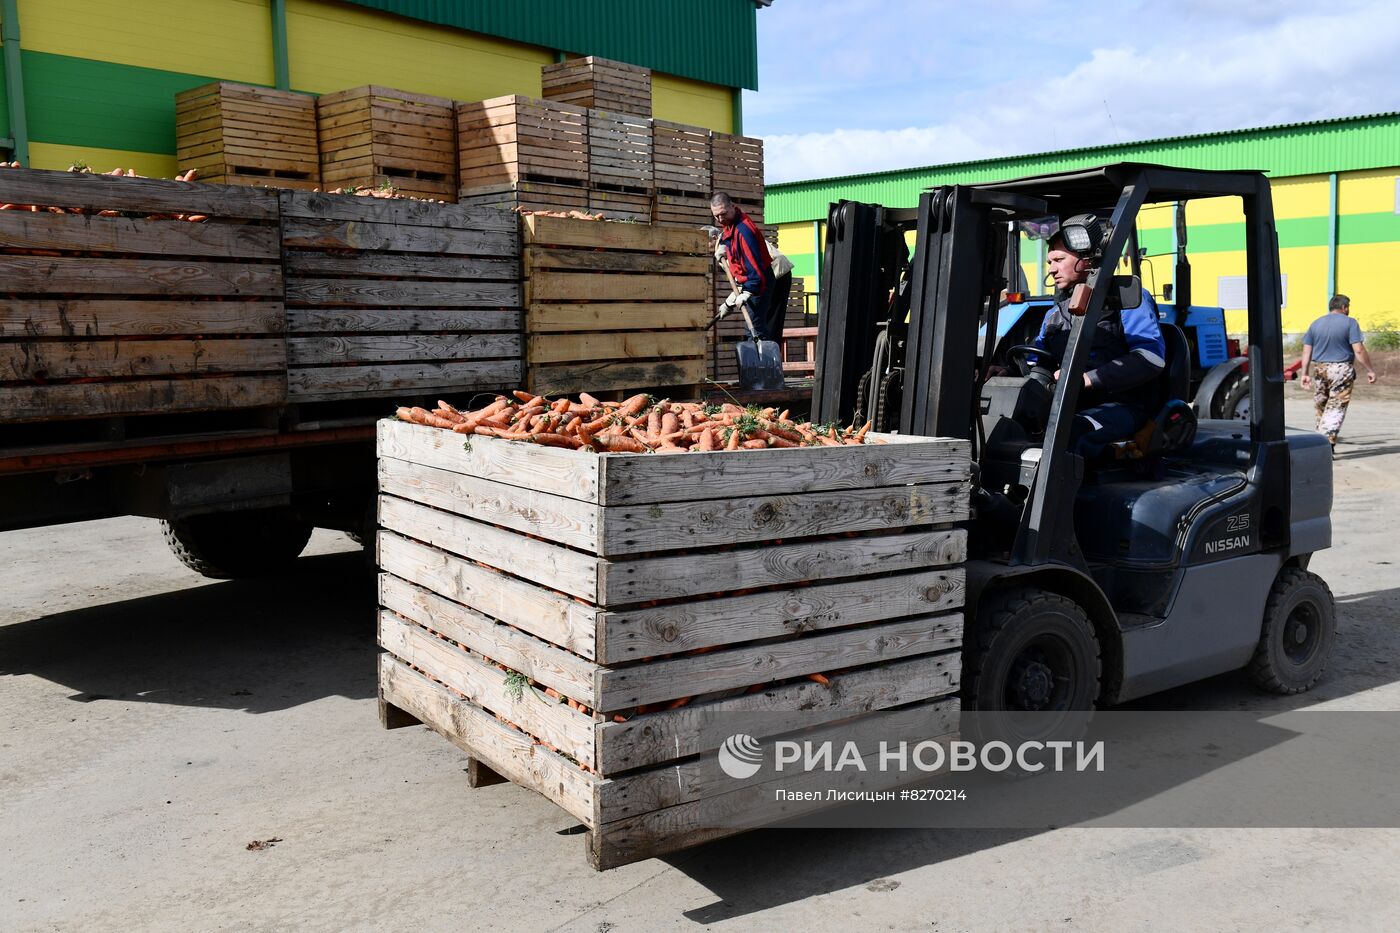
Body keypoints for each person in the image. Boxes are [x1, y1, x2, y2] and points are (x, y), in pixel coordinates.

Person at [1030, 233, 1167, 457]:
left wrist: (1086, 378)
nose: (1052, 269)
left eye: (1059, 260)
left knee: (1071, 432)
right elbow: (1037, 362)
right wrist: (1005, 371)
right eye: (1050, 262)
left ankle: (1067, 491)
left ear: (1088, 259)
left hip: (1124, 405)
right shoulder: (1054, 314)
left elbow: (1150, 358)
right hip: (1071, 404)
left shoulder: (1127, 301)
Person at [1299, 294, 1377, 450]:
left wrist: (1305, 373)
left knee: (1321, 404)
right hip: (1341, 369)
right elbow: (1359, 350)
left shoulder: (1316, 323)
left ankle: (1320, 439)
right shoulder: (1350, 323)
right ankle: (1326, 444)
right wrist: (1370, 370)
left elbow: (1307, 351)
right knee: (1336, 406)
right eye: (1348, 307)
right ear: (1344, 307)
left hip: (1320, 369)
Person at [711, 192, 776, 339]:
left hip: (760, 282)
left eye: (723, 214)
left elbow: (754, 267)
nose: (720, 219)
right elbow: (740, 267)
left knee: (754, 329)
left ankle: (762, 361)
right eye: (716, 216)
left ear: (733, 207)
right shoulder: (731, 223)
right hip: (751, 280)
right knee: (754, 326)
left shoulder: (744, 231)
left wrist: (748, 291)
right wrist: (724, 246)